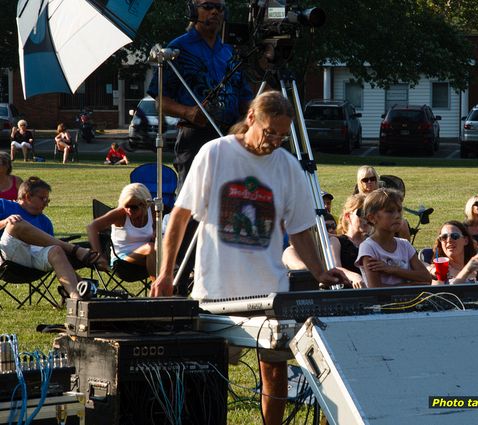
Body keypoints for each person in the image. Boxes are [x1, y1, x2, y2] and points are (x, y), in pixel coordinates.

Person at [149, 91, 347, 425]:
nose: (274, 142)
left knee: (274, 366)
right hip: (215, 287)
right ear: (251, 117)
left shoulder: (287, 166)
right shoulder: (215, 153)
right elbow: (180, 217)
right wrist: (165, 273)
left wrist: (319, 271)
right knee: (210, 372)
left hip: (269, 289)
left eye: (283, 136)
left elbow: (299, 229)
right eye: (270, 132)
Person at [147, 0, 253, 186]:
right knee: (193, 208)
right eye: (208, 7)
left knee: (232, 204)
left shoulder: (231, 50)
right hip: (195, 138)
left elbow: (245, 97)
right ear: (192, 11)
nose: (215, 12)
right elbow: (160, 101)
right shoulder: (177, 49)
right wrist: (188, 112)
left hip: (232, 137)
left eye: (220, 8)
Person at [0, 177, 105, 300]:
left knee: (56, 249)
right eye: (43, 199)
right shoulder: (4, 205)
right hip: (7, 258)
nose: (46, 203)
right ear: (28, 196)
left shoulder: (45, 222)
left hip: (33, 262)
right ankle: (74, 249)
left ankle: (76, 298)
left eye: (47, 200)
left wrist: (81, 283)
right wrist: (4, 222)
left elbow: (56, 256)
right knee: (15, 223)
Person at [355, 188, 431, 287]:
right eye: (390, 211)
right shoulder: (368, 247)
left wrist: (391, 269)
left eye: (399, 211)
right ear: (372, 218)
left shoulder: (405, 245)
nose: (397, 216)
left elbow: (426, 277)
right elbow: (375, 289)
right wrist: (412, 285)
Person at [87, 183, 156, 279]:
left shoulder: (151, 210)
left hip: (148, 258)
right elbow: (92, 227)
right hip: (122, 261)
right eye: (126, 206)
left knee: (161, 251)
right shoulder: (120, 214)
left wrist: (155, 233)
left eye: (134, 207)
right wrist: (99, 256)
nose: (129, 210)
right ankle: (161, 290)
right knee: (151, 248)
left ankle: (167, 287)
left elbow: (156, 229)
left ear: (144, 205)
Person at [428, 220, 478, 284]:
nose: (449, 240)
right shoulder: (439, 271)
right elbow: (443, 296)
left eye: (454, 236)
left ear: (465, 240)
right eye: (444, 237)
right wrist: (467, 270)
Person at [354, 165, 411, 239]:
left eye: (372, 179)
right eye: (365, 180)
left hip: (385, 220)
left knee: (403, 224)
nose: (369, 182)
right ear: (360, 182)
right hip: (368, 224)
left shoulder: (383, 195)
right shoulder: (358, 199)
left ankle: (406, 248)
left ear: (376, 179)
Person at [329, 194, 368, 287]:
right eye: (361, 213)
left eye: (369, 213)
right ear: (348, 216)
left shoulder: (372, 241)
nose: (366, 218)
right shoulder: (337, 241)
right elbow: (336, 267)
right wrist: (355, 276)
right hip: (347, 293)